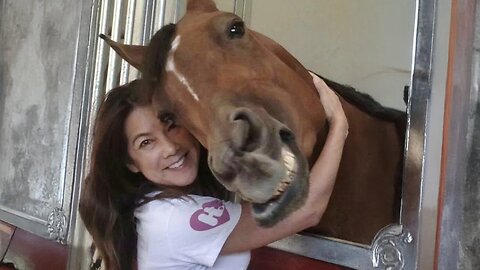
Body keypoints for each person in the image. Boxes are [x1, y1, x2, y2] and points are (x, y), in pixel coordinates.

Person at [79, 73, 348, 270]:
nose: (171, 147)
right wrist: (338, 125)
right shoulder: (177, 219)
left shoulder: (152, 210)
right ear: (131, 163)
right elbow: (306, 210)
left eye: (172, 124)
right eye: (146, 143)